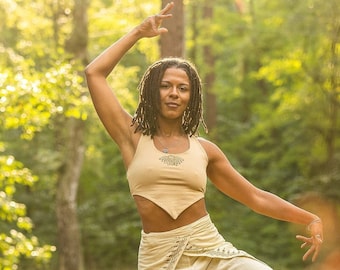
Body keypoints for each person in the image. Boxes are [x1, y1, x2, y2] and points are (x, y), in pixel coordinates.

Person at [85, 2, 323, 269]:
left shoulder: (205, 151)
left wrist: (309, 218)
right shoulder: (132, 137)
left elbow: (255, 197)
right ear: (154, 92)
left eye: (183, 88)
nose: (174, 93)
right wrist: (138, 32)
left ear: (191, 98)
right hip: (157, 257)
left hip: (210, 249)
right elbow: (94, 74)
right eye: (165, 86)